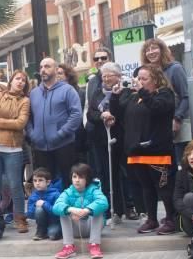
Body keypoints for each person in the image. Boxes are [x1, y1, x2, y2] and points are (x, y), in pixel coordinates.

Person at [111, 64, 178, 234]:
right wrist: (115, 96)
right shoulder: (134, 97)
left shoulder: (165, 94)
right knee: (146, 187)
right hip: (136, 150)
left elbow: (157, 108)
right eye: (138, 78)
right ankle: (152, 219)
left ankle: (171, 218)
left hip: (158, 151)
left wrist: (142, 92)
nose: (140, 82)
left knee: (163, 187)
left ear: (155, 80)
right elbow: (118, 113)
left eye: (144, 79)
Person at [0, 70, 31, 233]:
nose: (20, 82)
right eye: (17, 79)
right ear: (10, 81)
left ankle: (20, 219)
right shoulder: (2, 95)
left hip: (13, 148)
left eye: (23, 80)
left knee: (15, 185)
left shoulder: (25, 101)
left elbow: (20, 123)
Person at [27, 57, 83, 185]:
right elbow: (28, 117)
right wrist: (32, 134)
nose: (43, 70)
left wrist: (61, 134)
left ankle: (68, 206)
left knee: (68, 182)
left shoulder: (67, 90)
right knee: (44, 185)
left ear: (56, 70)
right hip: (40, 147)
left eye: (47, 66)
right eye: (41, 67)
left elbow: (76, 115)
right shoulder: (34, 93)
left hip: (64, 144)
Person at [86, 61, 128, 223]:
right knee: (106, 174)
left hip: (120, 138)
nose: (105, 79)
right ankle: (112, 210)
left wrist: (113, 115)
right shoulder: (97, 93)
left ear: (118, 76)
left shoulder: (125, 91)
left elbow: (124, 109)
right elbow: (91, 113)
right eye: (103, 76)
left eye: (108, 75)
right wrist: (102, 116)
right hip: (101, 140)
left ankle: (128, 208)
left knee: (122, 174)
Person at [141, 38, 191, 163]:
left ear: (162, 50)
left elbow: (185, 96)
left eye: (154, 48)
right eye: (147, 50)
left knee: (180, 161)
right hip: (157, 129)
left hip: (176, 124)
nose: (151, 52)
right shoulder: (146, 73)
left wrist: (177, 118)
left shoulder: (175, 69)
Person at [52, 163, 108, 259]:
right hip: (75, 228)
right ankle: (68, 247)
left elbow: (103, 202)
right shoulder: (68, 192)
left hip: (91, 227)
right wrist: (71, 209)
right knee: (64, 212)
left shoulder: (94, 189)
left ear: (87, 179)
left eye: (81, 177)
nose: (77, 180)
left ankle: (94, 245)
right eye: (74, 177)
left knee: (98, 211)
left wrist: (87, 210)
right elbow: (56, 206)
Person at [26, 168, 63, 241]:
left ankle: (56, 230)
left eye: (40, 180)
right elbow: (30, 215)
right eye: (35, 181)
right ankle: (41, 231)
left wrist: (45, 204)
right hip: (41, 224)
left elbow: (58, 212)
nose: (37, 183)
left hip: (54, 222)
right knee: (39, 209)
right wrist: (35, 206)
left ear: (48, 182)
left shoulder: (56, 194)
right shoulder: (33, 196)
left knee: (53, 235)